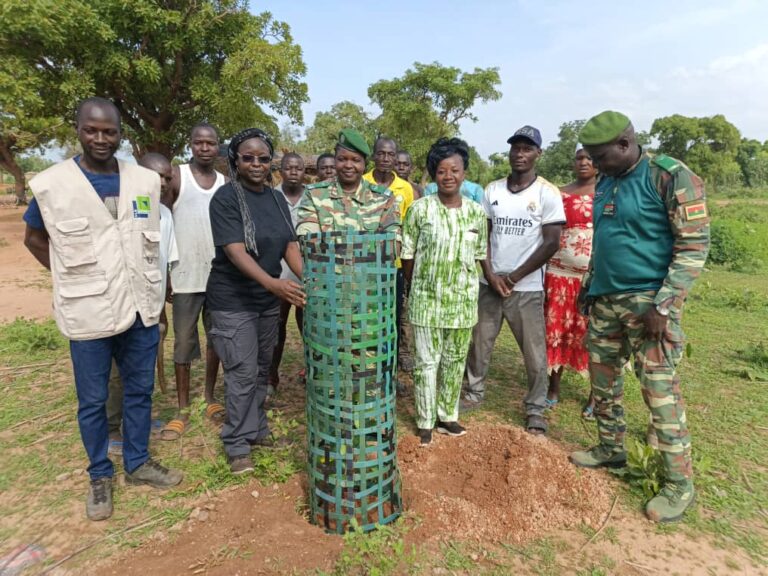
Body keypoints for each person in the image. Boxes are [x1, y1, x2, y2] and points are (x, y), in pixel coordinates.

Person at [23, 97, 183, 521]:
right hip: (89, 312)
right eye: (91, 130)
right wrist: (75, 278)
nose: (100, 138)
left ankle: (137, 462)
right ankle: (99, 474)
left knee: (138, 390)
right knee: (93, 400)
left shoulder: (143, 181)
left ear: (119, 134)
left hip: (139, 309)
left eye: (108, 131)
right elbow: (35, 240)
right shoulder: (53, 185)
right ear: (76, 129)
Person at [569, 111, 709, 523]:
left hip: (650, 306)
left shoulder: (668, 176)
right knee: (603, 383)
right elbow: (606, 238)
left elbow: (694, 246)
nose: (594, 165)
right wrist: (589, 284)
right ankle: (611, 448)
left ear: (625, 145)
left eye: (600, 156)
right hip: (606, 300)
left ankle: (678, 485)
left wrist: (664, 305)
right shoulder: (608, 181)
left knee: (660, 393)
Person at [206, 128, 305, 475]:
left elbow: (290, 245)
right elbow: (235, 251)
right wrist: (274, 284)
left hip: (265, 300)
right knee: (243, 372)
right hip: (233, 300)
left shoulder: (277, 199)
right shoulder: (226, 198)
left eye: (263, 158)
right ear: (236, 160)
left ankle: (257, 429)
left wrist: (309, 278)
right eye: (248, 157)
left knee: (261, 369)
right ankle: (236, 443)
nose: (256, 164)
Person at [463, 125, 565, 436]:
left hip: (527, 288)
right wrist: (491, 275)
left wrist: (515, 276)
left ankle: (535, 409)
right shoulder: (492, 190)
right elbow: (483, 235)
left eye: (527, 148)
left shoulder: (547, 192)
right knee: (479, 344)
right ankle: (473, 393)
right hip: (490, 285)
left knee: (534, 353)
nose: (520, 154)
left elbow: (551, 242)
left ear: (538, 153)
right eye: (515, 148)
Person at [402, 138, 487, 447]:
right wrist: (419, 287)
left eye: (455, 170)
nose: (448, 176)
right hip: (426, 301)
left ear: (464, 173)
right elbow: (408, 255)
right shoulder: (420, 209)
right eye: (441, 171)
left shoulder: (477, 213)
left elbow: (479, 254)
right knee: (426, 362)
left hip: (463, 303)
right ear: (434, 174)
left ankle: (447, 416)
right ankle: (425, 420)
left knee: (454, 361)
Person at [106, 153, 179, 455]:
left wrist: (162, 305)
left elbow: (164, 264)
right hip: (117, 303)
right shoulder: (116, 207)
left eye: (166, 178)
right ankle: (111, 428)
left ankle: (139, 422)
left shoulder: (164, 214)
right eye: (155, 176)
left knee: (140, 370)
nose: (161, 183)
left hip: (149, 306)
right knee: (114, 371)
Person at [164, 123, 227, 440]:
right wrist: (165, 277)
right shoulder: (177, 177)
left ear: (218, 147)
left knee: (216, 340)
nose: (204, 148)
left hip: (217, 278)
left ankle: (211, 397)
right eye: (198, 142)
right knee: (184, 343)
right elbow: (162, 225)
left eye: (210, 143)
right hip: (185, 276)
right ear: (190, 145)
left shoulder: (225, 182)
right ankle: (181, 409)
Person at [544, 145, 597, 416]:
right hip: (558, 274)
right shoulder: (560, 192)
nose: (584, 162)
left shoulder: (609, 192)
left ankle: (596, 395)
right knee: (556, 331)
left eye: (589, 158)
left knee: (595, 334)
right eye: (579, 158)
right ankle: (553, 388)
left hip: (594, 278)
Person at [363, 138, 415, 379]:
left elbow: (409, 229)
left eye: (390, 154)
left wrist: (407, 268)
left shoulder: (405, 188)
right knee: (365, 319)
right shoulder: (363, 182)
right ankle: (365, 369)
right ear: (373, 156)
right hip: (365, 266)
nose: (385, 158)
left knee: (390, 320)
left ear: (396, 158)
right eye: (381, 153)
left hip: (393, 267)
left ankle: (388, 372)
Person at [297, 129, 400, 237]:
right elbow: (308, 240)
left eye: (355, 160)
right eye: (342, 159)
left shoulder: (384, 198)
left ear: (364, 164)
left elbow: (392, 242)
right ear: (335, 160)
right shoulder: (314, 194)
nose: (348, 165)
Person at [268, 152, 306, 395]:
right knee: (276, 328)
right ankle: (271, 377)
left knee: (310, 330)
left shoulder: (313, 198)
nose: (293, 172)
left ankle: (313, 373)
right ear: (280, 171)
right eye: (288, 167)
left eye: (298, 168)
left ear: (304, 172)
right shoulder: (271, 197)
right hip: (278, 276)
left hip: (306, 276)